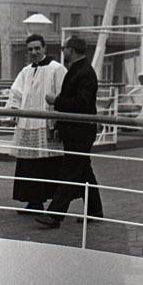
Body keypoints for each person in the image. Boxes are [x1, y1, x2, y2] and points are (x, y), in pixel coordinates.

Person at [35, 35, 104, 228]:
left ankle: (55, 215)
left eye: (64, 48)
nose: (63, 51)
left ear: (71, 50)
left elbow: (82, 103)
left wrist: (56, 101)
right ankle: (95, 210)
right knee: (84, 172)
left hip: (80, 132)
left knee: (70, 173)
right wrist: (60, 126)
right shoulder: (80, 70)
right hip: (77, 131)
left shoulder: (84, 72)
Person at [5, 34, 66, 214]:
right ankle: (34, 203)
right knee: (28, 166)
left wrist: (57, 122)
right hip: (27, 124)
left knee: (48, 165)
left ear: (44, 48)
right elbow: (16, 93)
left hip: (46, 124)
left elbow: (62, 94)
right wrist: (13, 110)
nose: (33, 52)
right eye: (30, 49)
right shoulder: (26, 71)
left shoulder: (56, 69)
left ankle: (55, 206)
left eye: (37, 48)